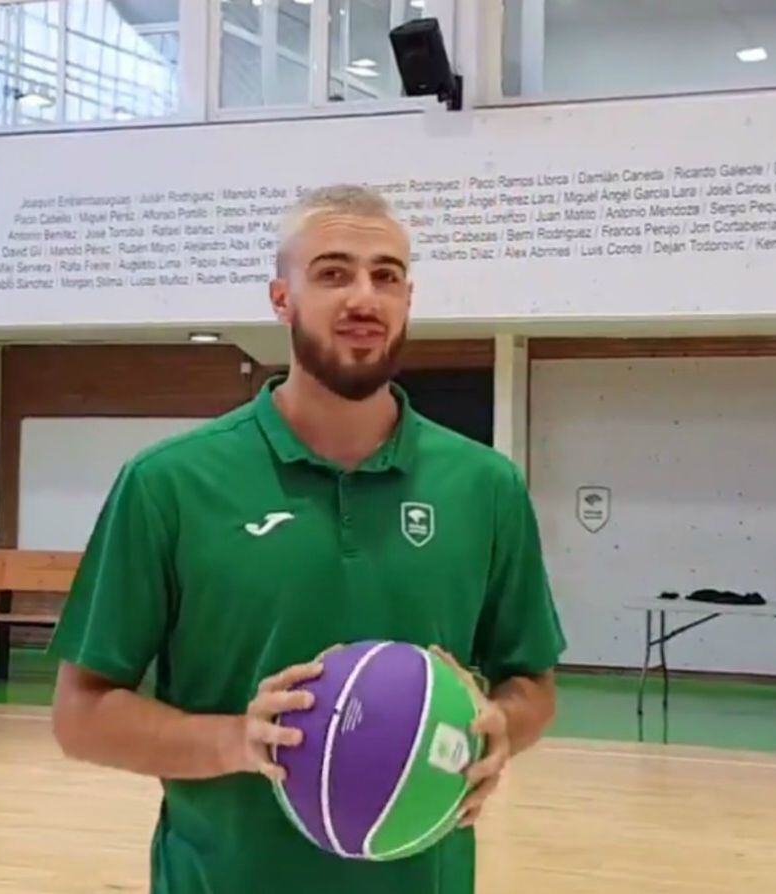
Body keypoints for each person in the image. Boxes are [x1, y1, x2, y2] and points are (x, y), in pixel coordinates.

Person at [48, 184, 566, 893]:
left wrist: (503, 725)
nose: (364, 297)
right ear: (281, 298)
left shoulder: (485, 486)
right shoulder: (169, 482)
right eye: (332, 272)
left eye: (386, 276)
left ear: (408, 299)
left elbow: (532, 681)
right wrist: (239, 739)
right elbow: (81, 716)